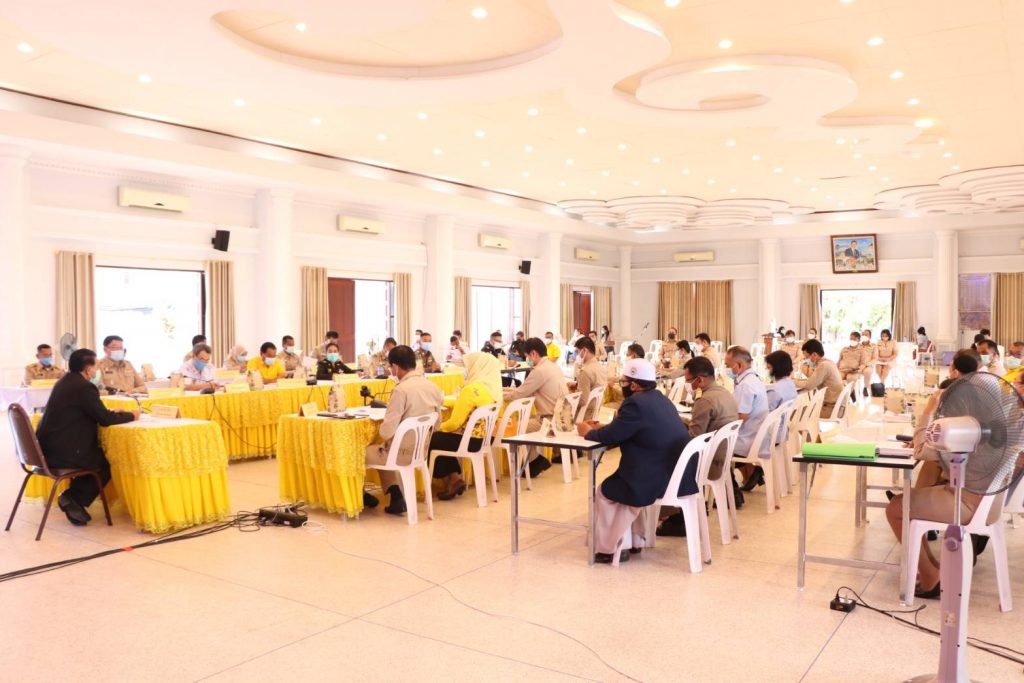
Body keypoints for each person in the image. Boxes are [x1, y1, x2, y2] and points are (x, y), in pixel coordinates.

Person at [884, 366, 1009, 599]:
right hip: (987, 504)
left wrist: (930, 408)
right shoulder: (990, 423)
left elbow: (921, 451)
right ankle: (933, 569)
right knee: (915, 493)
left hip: (966, 503)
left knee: (897, 508)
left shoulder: (961, 430)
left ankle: (930, 575)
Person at [578, 359, 689, 563]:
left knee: (605, 492)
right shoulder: (660, 398)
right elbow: (627, 428)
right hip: (671, 474)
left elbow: (612, 436)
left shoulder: (635, 403)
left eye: (624, 382)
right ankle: (634, 541)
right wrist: (604, 427)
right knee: (619, 488)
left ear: (634, 385)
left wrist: (588, 432)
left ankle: (611, 548)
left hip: (650, 478)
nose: (622, 386)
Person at [35, 348, 138, 526]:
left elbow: (91, 412)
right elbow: (105, 420)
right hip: (63, 452)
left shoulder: (65, 381)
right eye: (95, 366)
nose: (96, 370)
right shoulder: (84, 387)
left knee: (96, 458)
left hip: (47, 449)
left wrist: (111, 413)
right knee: (104, 464)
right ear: (88, 369)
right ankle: (73, 498)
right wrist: (131, 415)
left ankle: (72, 499)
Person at [657, 356, 739, 536]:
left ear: (700, 380)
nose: (687, 384)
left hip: (708, 462)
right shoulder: (725, 393)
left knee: (662, 461)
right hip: (722, 457)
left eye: (688, 380)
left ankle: (675, 516)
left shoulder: (705, 400)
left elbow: (693, 439)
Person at [365, 345, 444, 515]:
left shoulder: (401, 390)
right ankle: (396, 497)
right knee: (383, 449)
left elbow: (386, 432)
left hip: (399, 454)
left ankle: (361, 496)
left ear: (395, 367)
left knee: (362, 452)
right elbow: (437, 425)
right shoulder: (433, 387)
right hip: (420, 451)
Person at [428, 352, 502, 500]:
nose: (465, 370)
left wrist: (435, 428)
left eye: (467, 366)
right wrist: (444, 402)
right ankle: (454, 479)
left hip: (471, 441)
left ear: (475, 367)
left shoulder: (470, 389)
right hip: (485, 439)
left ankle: (452, 480)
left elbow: (454, 423)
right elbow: (464, 403)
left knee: (434, 439)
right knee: (441, 439)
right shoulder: (490, 389)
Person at [503, 337, 568, 477]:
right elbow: (525, 390)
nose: (527, 360)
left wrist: (500, 395)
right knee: (527, 421)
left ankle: (534, 461)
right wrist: (508, 390)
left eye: (527, 356)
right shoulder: (553, 366)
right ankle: (535, 461)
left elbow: (519, 394)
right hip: (564, 418)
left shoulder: (539, 371)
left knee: (515, 426)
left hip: (549, 421)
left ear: (533, 354)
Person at [725, 347, 770, 493]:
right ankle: (750, 475)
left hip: (747, 438)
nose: (727, 369)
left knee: (713, 444)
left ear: (739, 365)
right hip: (757, 434)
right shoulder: (755, 378)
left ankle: (731, 490)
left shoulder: (745, 385)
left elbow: (740, 418)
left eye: (728, 365)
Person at [796, 339, 844, 418]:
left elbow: (809, 385)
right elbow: (812, 379)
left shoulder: (823, 365)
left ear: (814, 354)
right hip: (836, 406)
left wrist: (792, 382)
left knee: (794, 414)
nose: (805, 360)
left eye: (806, 357)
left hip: (830, 409)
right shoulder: (829, 362)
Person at [570, 337, 608, 421]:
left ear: (584, 350)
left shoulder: (585, 371)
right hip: (596, 411)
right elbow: (594, 385)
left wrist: (569, 397)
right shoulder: (602, 368)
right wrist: (577, 385)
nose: (577, 355)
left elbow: (582, 401)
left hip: (584, 415)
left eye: (577, 351)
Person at [838, 331, 867, 402]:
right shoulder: (844, 349)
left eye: (854, 339)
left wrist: (858, 369)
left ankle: (846, 397)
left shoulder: (862, 351)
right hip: (842, 370)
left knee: (850, 378)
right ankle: (849, 393)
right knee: (836, 378)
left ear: (858, 340)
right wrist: (835, 368)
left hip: (854, 372)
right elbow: (839, 360)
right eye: (851, 339)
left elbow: (863, 364)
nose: (852, 341)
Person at [859, 329, 878, 396]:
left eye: (866, 334)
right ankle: (853, 390)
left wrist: (866, 364)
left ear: (870, 336)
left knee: (867, 372)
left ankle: (865, 388)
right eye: (863, 334)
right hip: (859, 365)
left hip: (869, 365)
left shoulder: (874, 346)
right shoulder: (858, 345)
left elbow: (875, 358)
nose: (864, 336)